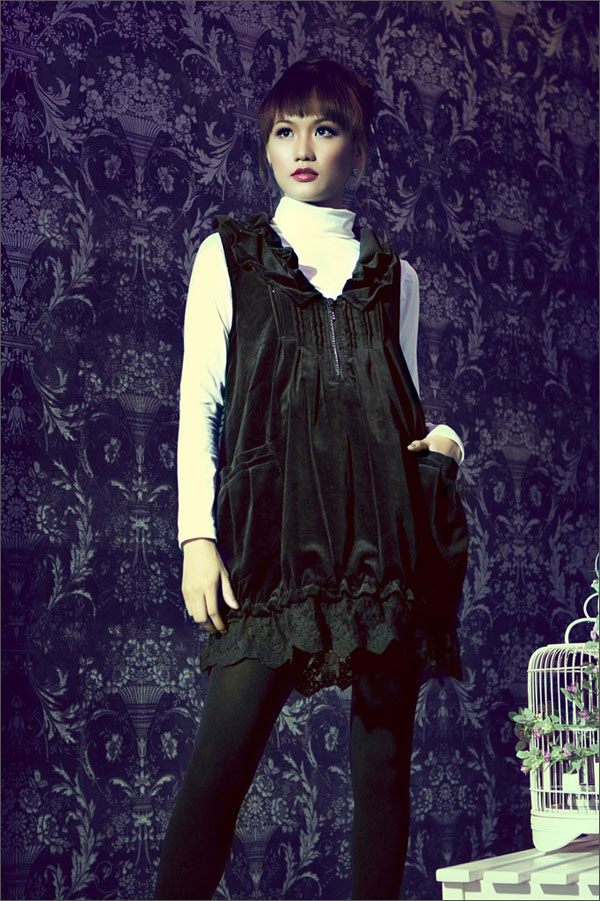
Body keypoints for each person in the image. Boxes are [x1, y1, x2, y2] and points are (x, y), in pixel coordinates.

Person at [155, 58, 468, 901]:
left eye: (324, 130)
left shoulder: (397, 278)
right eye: (284, 130)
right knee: (219, 772)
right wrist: (197, 536)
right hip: (272, 537)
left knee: (385, 770)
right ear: (266, 146)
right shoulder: (228, 256)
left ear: (356, 149)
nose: (301, 148)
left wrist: (445, 442)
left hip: (383, 546)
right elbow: (200, 403)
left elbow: (401, 402)